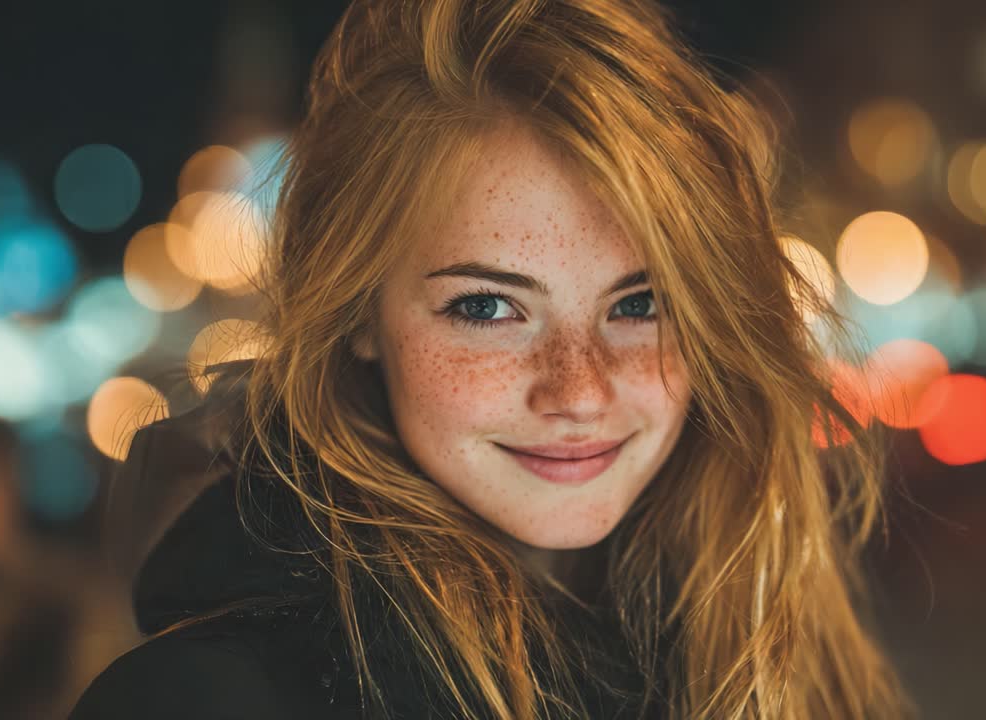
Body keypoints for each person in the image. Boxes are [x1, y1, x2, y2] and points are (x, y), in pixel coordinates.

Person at [70, 0, 913, 717]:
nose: (580, 390)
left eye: (640, 304)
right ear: (359, 312)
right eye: (487, 307)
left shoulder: (785, 642)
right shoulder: (199, 699)